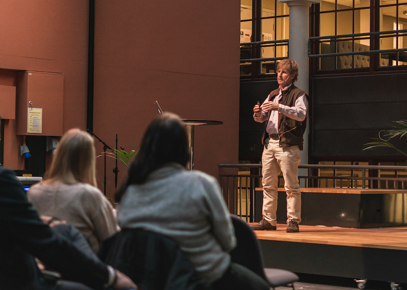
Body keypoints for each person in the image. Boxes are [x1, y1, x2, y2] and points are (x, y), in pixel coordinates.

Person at [115, 113, 269, 290]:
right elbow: (228, 242)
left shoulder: (129, 192)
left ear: (147, 146)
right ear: (183, 148)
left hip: (152, 283)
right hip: (207, 279)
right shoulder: (202, 184)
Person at [0, 166, 137, 290]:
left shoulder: (35, 190)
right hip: (24, 282)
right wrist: (110, 277)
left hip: (33, 264)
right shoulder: (90, 194)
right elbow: (47, 245)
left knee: (63, 230)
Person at [28, 128, 119, 253]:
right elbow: (113, 243)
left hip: (42, 269)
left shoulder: (34, 192)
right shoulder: (88, 195)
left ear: (59, 155)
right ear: (89, 161)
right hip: (82, 269)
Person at [252, 59, 308, 233]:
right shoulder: (273, 93)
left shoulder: (299, 95)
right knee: (268, 184)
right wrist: (258, 113)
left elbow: (301, 114)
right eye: (278, 72)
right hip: (269, 142)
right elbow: (262, 119)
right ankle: (268, 220)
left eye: (283, 72)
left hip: (287, 144)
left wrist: (279, 107)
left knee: (291, 185)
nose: (279, 75)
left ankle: (293, 220)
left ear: (292, 76)